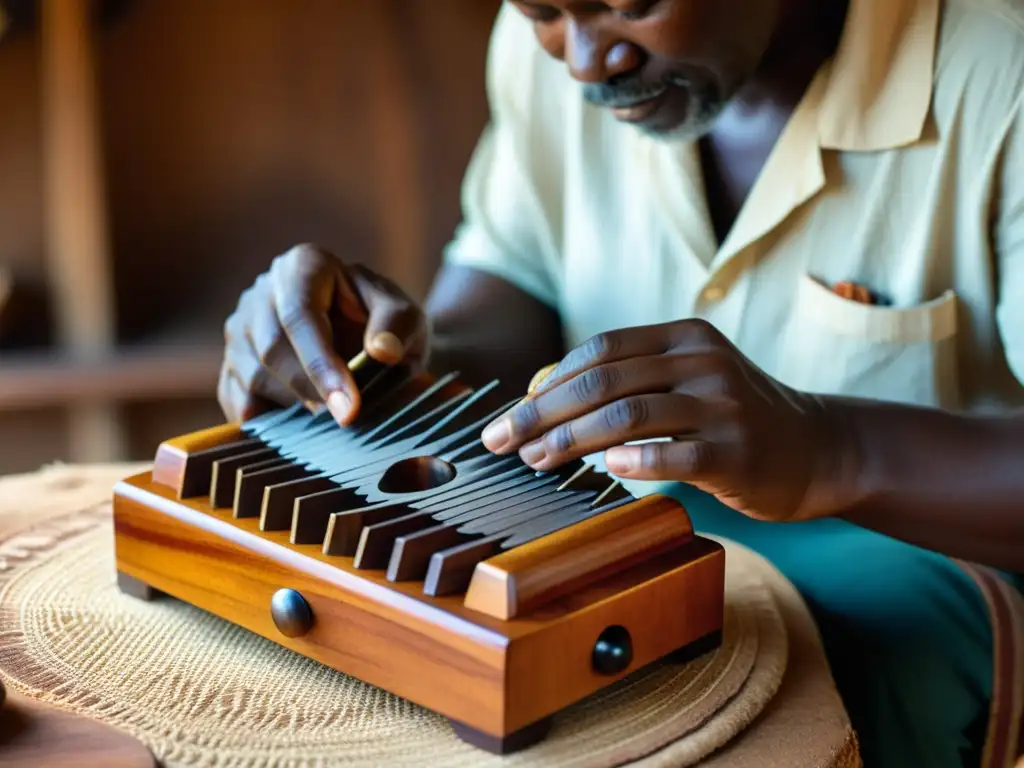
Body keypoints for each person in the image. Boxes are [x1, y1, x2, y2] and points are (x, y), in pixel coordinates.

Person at [217, 0, 1024, 765]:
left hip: (931, 571)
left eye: (632, 4)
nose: (586, 60)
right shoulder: (559, 47)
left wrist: (829, 451)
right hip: (606, 534)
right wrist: (389, 362)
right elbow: (515, 283)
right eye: (541, 14)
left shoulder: (1000, 70)